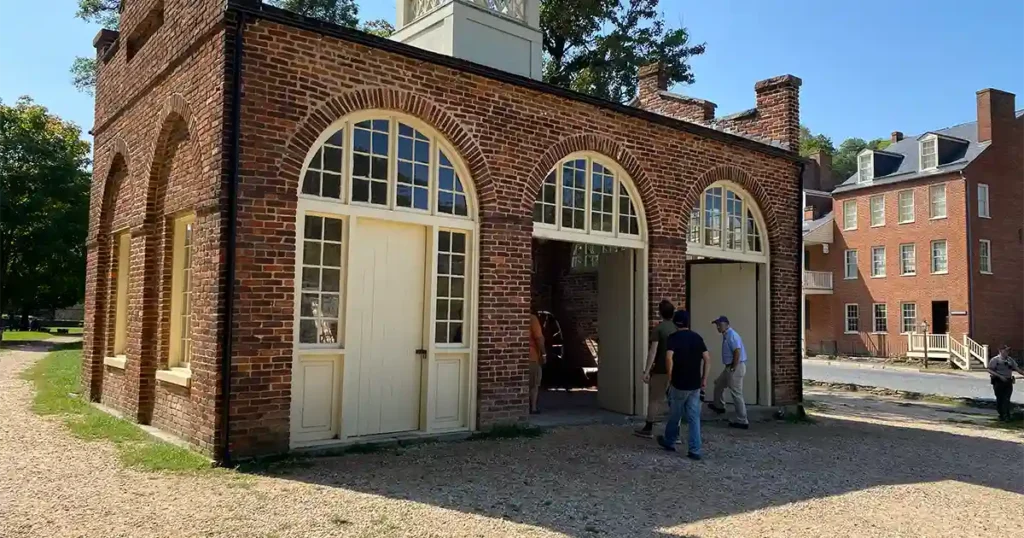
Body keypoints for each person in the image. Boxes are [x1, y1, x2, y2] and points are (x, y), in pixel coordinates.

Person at [656, 310, 709, 460]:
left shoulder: (673, 338)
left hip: (679, 383)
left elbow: (668, 358)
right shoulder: (697, 338)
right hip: (695, 383)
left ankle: (670, 440)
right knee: (694, 417)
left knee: (675, 414)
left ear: (675, 323)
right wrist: (704, 378)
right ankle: (695, 449)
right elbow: (707, 358)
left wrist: (670, 375)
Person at [635, 299, 677, 439]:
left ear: (660, 313)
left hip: (661, 369)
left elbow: (653, 352)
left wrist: (647, 371)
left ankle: (648, 427)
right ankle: (675, 433)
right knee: (675, 402)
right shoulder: (677, 328)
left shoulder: (659, 329)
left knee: (654, 400)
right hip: (676, 370)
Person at [707, 316, 749, 429]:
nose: (718, 327)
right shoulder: (727, 335)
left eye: (719, 325)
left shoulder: (732, 335)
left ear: (726, 324)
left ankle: (742, 420)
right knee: (718, 384)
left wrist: (733, 368)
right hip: (730, 367)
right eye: (717, 325)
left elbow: (737, 351)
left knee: (736, 393)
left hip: (735, 367)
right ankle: (719, 406)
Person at [988, 345, 1024, 421]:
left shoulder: (1010, 360)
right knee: (1000, 398)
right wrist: (1000, 376)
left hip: (1008, 381)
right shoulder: (995, 360)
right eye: (1005, 350)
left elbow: (1017, 369)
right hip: (998, 381)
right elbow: (989, 370)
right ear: (1000, 351)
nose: (1007, 352)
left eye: (1008, 350)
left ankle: (1006, 416)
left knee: (1007, 398)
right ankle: (1001, 414)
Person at [528, 312, 546, 414]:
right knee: (534, 384)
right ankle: (533, 407)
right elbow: (539, 338)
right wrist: (543, 354)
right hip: (532, 356)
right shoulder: (532, 318)